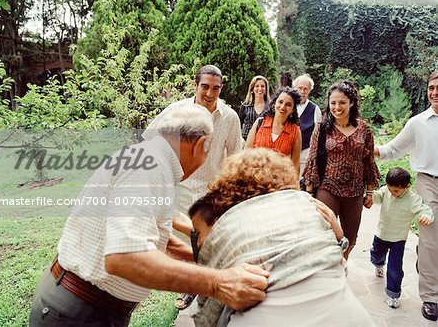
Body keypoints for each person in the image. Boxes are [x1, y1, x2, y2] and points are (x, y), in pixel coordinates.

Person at [29, 106, 269, 327]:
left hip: (88, 307)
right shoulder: (148, 168)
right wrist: (219, 282)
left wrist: (209, 257)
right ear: (200, 144)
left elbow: (154, 237)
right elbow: (125, 257)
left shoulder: (151, 160)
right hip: (81, 311)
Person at [188, 148, 374, 327]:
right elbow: (335, 270)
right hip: (349, 318)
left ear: (227, 190)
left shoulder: (229, 224)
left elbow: (209, 304)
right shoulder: (308, 206)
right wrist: (339, 237)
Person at [142, 64, 242, 310]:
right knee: (187, 241)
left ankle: (210, 285)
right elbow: (148, 138)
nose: (209, 93)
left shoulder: (229, 117)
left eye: (215, 88)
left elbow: (235, 156)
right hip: (182, 186)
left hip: (211, 191)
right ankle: (192, 288)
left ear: (221, 89)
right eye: (205, 87)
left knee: (210, 241)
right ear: (195, 85)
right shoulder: (177, 111)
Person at [374, 70, 438, 321]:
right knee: (432, 239)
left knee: (430, 246)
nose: (435, 92)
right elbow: (394, 148)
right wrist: (370, 150)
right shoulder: (418, 122)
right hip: (428, 183)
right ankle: (432, 296)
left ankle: (425, 262)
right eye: (432, 87)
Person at [303, 80, 380, 259]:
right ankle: (327, 272)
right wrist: (309, 191)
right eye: (333, 103)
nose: (337, 107)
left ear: (351, 103)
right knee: (326, 236)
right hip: (327, 188)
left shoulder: (364, 129)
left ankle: (341, 266)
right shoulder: (322, 128)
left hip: (354, 192)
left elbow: (368, 161)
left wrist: (369, 192)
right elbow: (313, 159)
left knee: (350, 238)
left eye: (342, 102)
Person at [368, 168, 434, 309]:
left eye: (396, 191)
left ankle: (393, 294)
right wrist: (369, 197)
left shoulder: (413, 199)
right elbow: (377, 196)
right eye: (390, 189)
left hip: (398, 239)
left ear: (407, 187)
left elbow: (424, 209)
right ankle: (378, 264)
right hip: (381, 234)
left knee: (395, 268)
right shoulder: (386, 191)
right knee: (376, 255)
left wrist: (426, 216)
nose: (392, 193)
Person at [245, 87, 302, 175]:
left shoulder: (295, 132)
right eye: (280, 102)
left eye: (288, 104)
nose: (283, 107)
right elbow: (247, 152)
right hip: (254, 179)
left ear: (293, 109)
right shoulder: (260, 123)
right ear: (274, 103)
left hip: (280, 183)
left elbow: (295, 165)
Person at [292, 74, 321, 175]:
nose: (302, 92)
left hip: (305, 155)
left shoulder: (315, 109)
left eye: (305, 89)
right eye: (300, 88)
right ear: (295, 88)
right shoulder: (288, 105)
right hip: (287, 154)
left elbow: (318, 134)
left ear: (309, 90)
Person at [238, 75, 270, 140]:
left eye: (262, 86)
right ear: (252, 89)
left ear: (266, 89)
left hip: (263, 143)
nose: (260, 89)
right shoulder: (245, 106)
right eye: (257, 86)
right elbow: (238, 126)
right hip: (246, 142)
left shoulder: (270, 107)